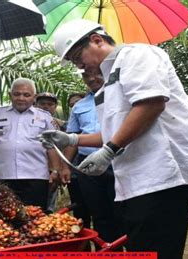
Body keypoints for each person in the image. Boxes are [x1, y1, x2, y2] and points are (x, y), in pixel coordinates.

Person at [40, 19, 188, 258]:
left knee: (158, 249)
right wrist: (71, 139)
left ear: (97, 40)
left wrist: (109, 150)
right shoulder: (106, 85)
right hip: (135, 180)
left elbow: (151, 104)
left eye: (79, 57)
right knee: (141, 248)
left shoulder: (137, 55)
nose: (81, 66)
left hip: (163, 174)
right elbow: (113, 131)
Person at [0, 78, 61, 210]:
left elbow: (52, 146)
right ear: (10, 95)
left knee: (35, 219)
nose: (21, 98)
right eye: (17, 94)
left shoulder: (45, 117)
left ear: (34, 97)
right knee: (3, 218)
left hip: (36, 177)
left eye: (26, 95)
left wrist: (56, 170)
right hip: (3, 176)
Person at [62, 71, 121, 247]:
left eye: (95, 74)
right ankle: (109, 252)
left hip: (117, 163)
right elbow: (73, 138)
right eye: (86, 76)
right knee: (99, 215)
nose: (91, 79)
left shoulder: (119, 96)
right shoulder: (79, 106)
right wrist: (65, 166)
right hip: (87, 166)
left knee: (123, 213)